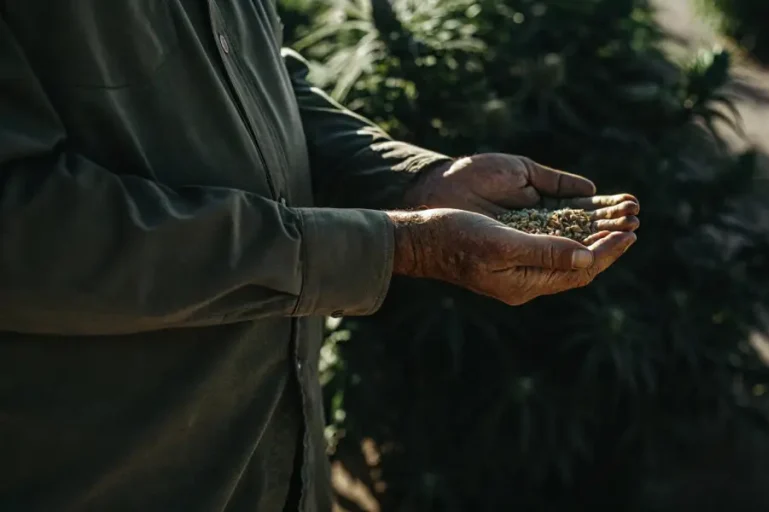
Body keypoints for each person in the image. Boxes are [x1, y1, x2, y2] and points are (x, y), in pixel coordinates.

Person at [0, 2, 639, 511]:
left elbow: (262, 81)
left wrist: (411, 179)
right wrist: (391, 244)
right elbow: (25, 231)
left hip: (278, 466)